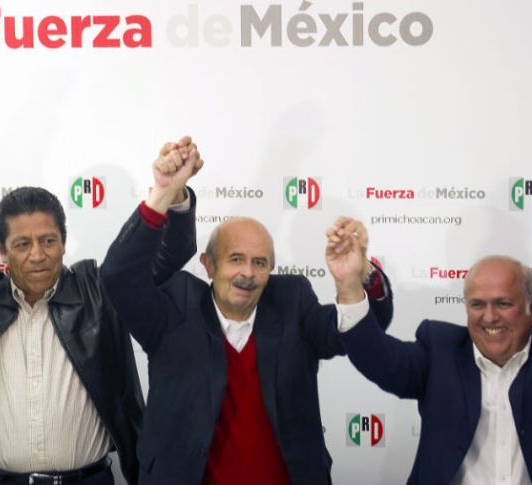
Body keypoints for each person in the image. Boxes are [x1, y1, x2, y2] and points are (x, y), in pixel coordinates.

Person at [0, 103, 199, 485]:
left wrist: (171, 194)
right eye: (22, 244)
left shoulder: (99, 291)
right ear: (1, 251)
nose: (37, 254)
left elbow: (169, 253)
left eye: (48, 240)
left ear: (63, 242)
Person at [100, 148, 394, 484]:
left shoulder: (293, 302)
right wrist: (164, 195)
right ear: (209, 265)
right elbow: (118, 276)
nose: (248, 273)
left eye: (259, 263)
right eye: (236, 259)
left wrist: (359, 278)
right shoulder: (176, 307)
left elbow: (360, 333)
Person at [339, 254, 532, 485]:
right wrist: (349, 288)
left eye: (503, 304)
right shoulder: (440, 353)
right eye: (477, 304)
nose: (490, 317)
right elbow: (378, 357)